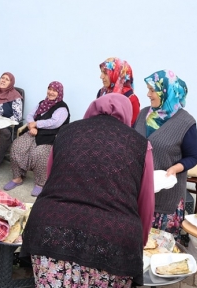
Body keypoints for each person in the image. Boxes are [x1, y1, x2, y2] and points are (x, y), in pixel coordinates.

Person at [20, 94, 155, 287]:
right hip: (113, 240)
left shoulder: (66, 133)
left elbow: (51, 180)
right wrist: (138, 243)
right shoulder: (140, 145)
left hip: (51, 230)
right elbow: (146, 202)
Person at [134, 69, 197, 245]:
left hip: (165, 196)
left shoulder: (185, 122)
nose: (148, 94)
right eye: (148, 89)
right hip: (138, 193)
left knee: (158, 249)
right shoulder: (144, 114)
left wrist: (175, 168)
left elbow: (193, 156)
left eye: (152, 90)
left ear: (167, 91)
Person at [4, 81, 69, 196]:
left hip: (50, 136)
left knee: (39, 153)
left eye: (54, 90)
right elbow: (30, 115)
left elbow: (55, 123)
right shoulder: (42, 103)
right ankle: (17, 177)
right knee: (17, 146)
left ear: (59, 93)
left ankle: (40, 183)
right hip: (34, 132)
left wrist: (36, 124)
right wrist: (30, 124)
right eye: (49, 89)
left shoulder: (62, 108)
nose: (51, 92)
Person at [97, 57, 140, 127]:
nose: (101, 76)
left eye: (105, 73)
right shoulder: (102, 93)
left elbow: (134, 130)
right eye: (101, 72)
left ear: (116, 74)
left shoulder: (131, 99)